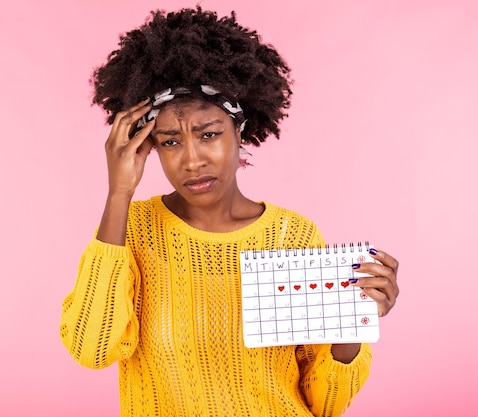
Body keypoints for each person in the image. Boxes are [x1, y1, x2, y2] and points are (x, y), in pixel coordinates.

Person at [59, 7, 399, 417]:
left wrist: (353, 320)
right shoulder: (133, 230)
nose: (192, 160)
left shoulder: (293, 237)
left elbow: (325, 405)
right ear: (149, 147)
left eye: (209, 134)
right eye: (170, 142)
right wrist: (119, 194)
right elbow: (91, 348)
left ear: (239, 130)